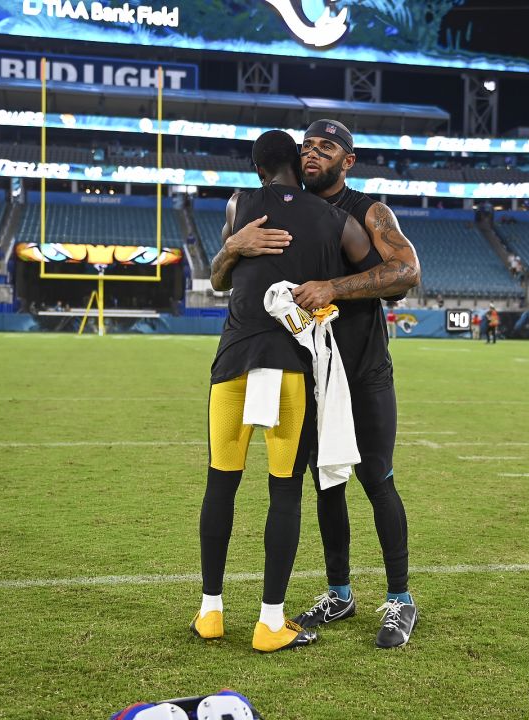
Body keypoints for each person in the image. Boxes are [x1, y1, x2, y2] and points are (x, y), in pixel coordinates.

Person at [219, 119, 423, 649]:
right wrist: (235, 245)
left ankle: (400, 599)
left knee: (376, 479)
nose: (313, 154)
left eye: (326, 147)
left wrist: (334, 285)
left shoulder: (368, 211)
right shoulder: (285, 209)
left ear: (347, 160)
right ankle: (340, 591)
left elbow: (406, 272)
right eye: (307, 146)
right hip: (311, 373)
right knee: (325, 482)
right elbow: (236, 277)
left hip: (365, 369)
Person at [199, 130, 375, 653]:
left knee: (220, 484)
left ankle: (210, 611)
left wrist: (235, 245)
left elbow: (219, 282)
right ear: (299, 165)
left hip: (231, 362)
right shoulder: (336, 220)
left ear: (257, 172)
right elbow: (381, 272)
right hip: (289, 367)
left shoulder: (239, 205)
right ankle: (270, 622)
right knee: (283, 491)